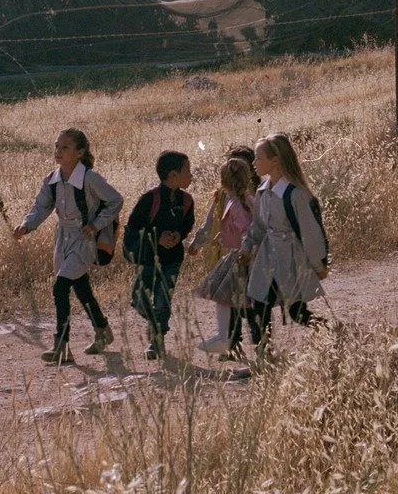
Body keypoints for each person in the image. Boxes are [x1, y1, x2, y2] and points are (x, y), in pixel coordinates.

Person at [15, 128, 122, 365]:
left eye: (65, 147)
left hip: (85, 239)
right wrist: (26, 225)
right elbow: (41, 207)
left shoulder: (90, 178)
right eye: (56, 146)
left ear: (80, 152)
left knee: (60, 287)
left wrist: (96, 224)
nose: (58, 151)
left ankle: (61, 347)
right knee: (81, 287)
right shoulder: (52, 180)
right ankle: (103, 331)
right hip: (62, 239)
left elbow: (116, 200)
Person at [241, 134, 329, 349]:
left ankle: (332, 332)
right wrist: (246, 247)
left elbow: (310, 233)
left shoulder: (294, 194)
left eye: (258, 158)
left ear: (275, 160)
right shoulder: (263, 191)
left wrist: (318, 264)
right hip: (266, 257)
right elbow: (259, 226)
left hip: (290, 259)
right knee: (260, 303)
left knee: (297, 312)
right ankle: (264, 354)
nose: (254, 163)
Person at [124, 150, 196, 362]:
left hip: (173, 260)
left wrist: (178, 235)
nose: (191, 175)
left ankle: (156, 342)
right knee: (138, 298)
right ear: (173, 175)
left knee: (163, 301)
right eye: (187, 171)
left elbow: (187, 225)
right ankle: (157, 323)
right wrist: (156, 239)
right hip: (148, 258)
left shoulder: (187, 200)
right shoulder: (149, 199)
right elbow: (133, 227)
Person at [189, 151, 257, 360]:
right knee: (234, 300)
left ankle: (225, 338)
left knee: (228, 299)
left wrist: (243, 249)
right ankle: (231, 340)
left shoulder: (238, 203)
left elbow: (247, 230)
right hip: (238, 255)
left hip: (238, 257)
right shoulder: (247, 199)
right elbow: (215, 223)